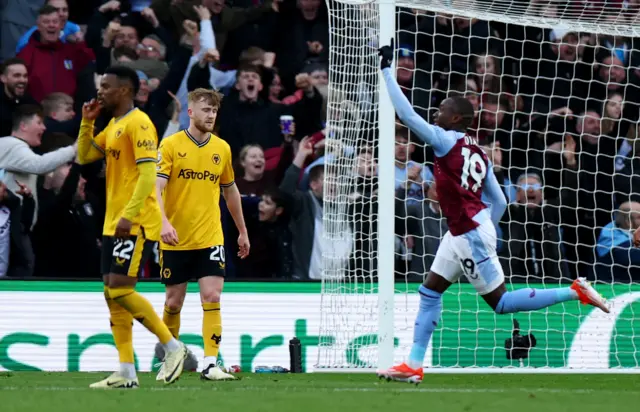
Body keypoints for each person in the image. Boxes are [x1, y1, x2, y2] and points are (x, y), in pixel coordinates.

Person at [375, 40, 609, 384]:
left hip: (468, 233)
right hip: (465, 231)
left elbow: (407, 116)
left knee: (501, 303)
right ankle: (413, 364)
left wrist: (385, 70)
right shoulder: (480, 154)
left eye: (440, 110)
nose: (435, 114)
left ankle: (574, 290)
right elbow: (498, 201)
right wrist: (484, 228)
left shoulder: (444, 139)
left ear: (456, 118)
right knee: (429, 291)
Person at [76, 66, 187, 389]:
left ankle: (173, 347)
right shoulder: (114, 125)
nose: (101, 92)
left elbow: (148, 175)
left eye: (106, 87)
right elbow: (84, 156)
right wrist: (87, 121)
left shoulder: (139, 123)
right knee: (112, 295)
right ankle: (126, 370)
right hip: (114, 221)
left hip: (133, 221)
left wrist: (130, 214)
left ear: (124, 91)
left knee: (121, 289)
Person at [154, 88, 249, 381]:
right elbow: (154, 188)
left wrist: (242, 230)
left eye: (214, 111)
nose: (210, 115)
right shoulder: (170, 146)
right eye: (205, 110)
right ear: (190, 112)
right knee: (173, 302)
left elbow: (230, 190)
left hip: (210, 236)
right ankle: (171, 356)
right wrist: (163, 223)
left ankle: (210, 363)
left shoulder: (222, 148)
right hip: (175, 238)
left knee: (212, 295)